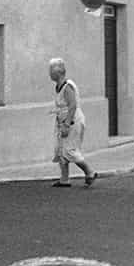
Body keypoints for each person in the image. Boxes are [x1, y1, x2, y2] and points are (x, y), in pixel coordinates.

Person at [49, 57, 98, 188]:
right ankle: (64, 179)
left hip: (72, 122)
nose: (49, 73)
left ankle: (90, 172)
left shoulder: (67, 86)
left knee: (69, 150)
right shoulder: (59, 86)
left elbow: (72, 106)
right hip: (64, 121)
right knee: (60, 150)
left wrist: (66, 124)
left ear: (57, 72)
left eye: (51, 71)